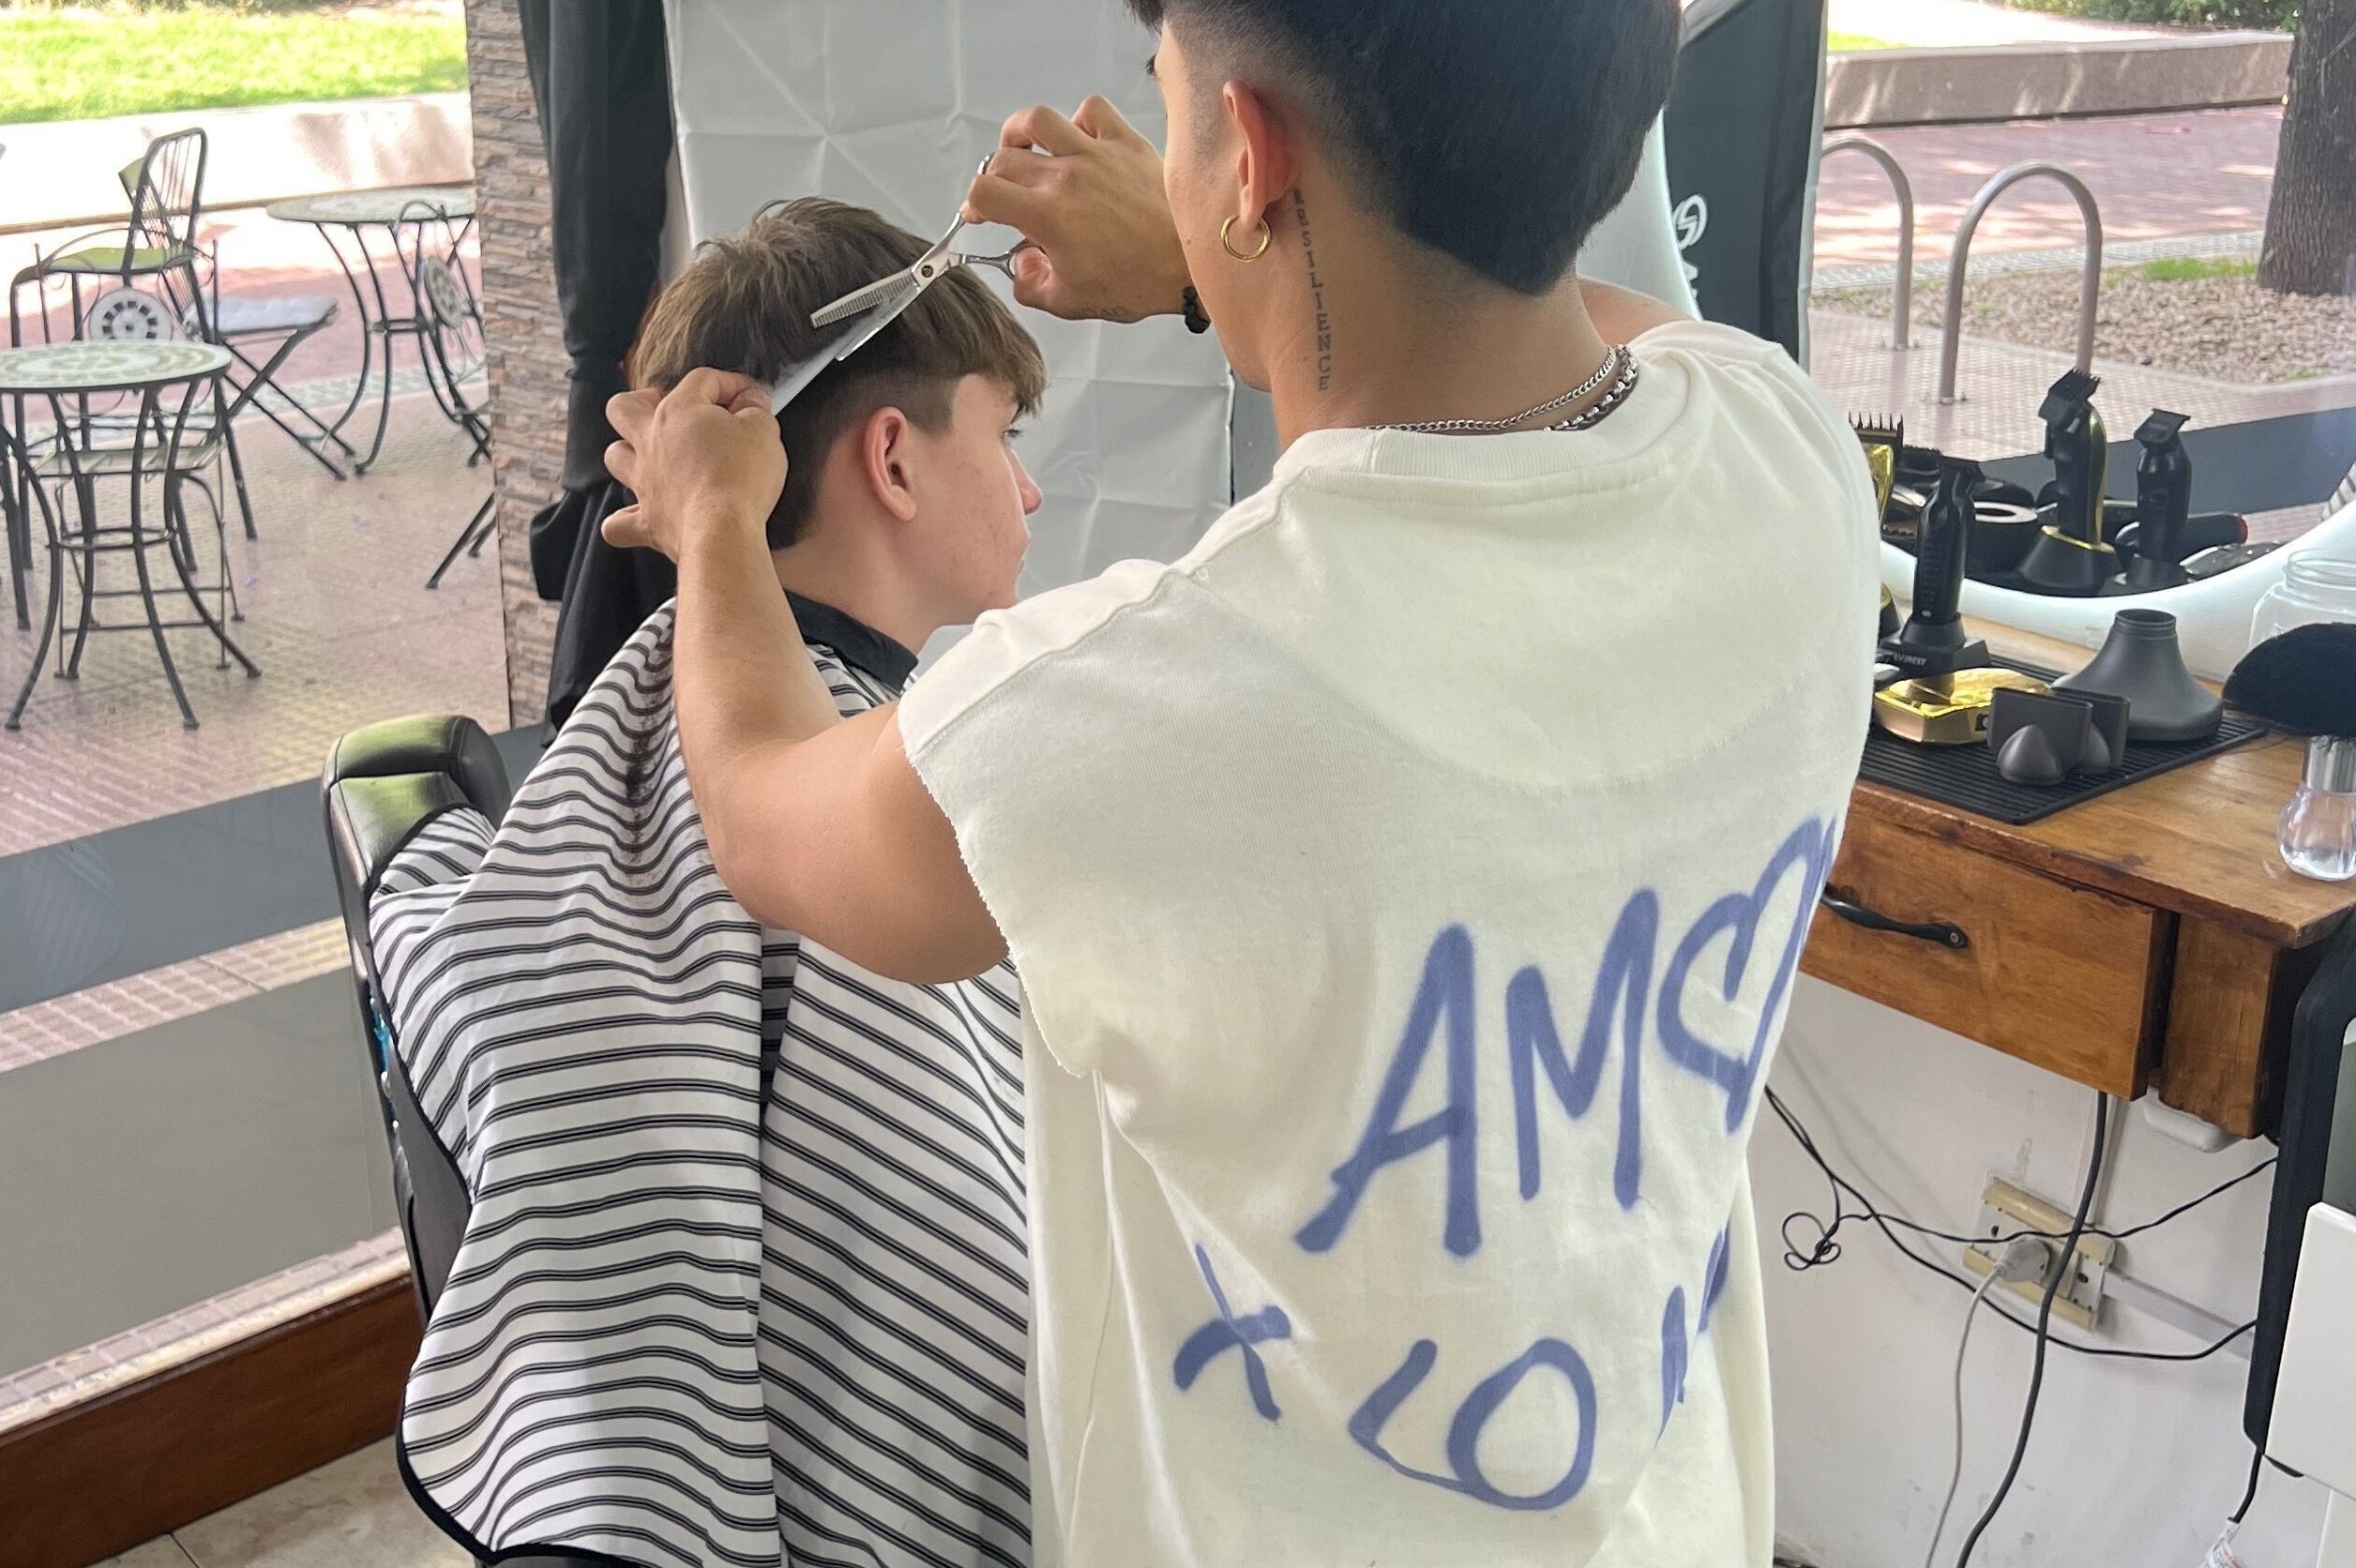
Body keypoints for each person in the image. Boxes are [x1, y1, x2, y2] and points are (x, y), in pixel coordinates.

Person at [600, 2, 1880, 1563]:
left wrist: (715, 518)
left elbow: (762, 810)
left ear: (1253, 156)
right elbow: (1569, 321)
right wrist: (1238, 265)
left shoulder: (1146, 710)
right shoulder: (1790, 458)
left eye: (1176, 107)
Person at [368, 198, 1048, 1568]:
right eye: (1008, 436)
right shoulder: (894, 807)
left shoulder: (661, 721)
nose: (1030, 490)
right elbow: (977, 1329)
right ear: (896, 461)